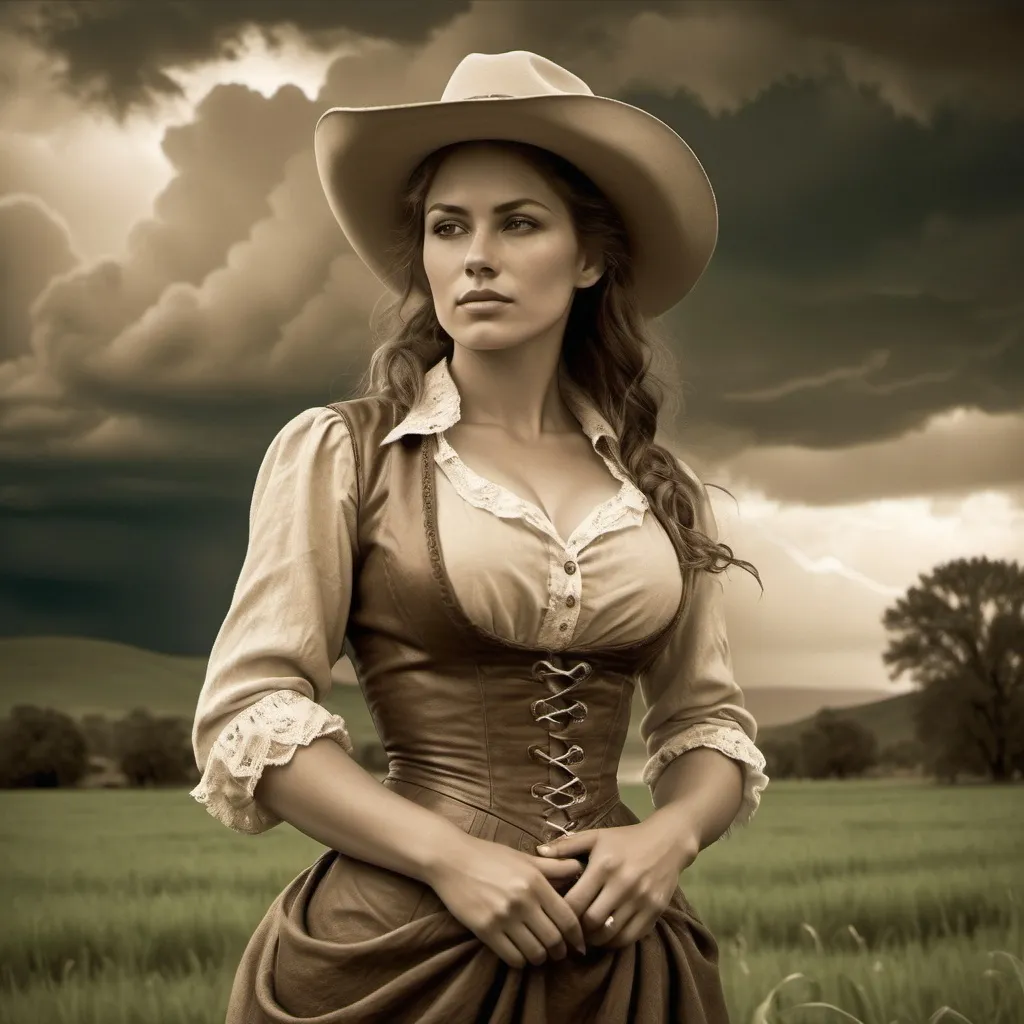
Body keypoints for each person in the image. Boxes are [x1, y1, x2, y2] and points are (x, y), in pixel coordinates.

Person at [189, 49, 769, 1024]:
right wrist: (452, 857)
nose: (477, 255)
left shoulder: (660, 494)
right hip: (393, 953)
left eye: (519, 223)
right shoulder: (344, 453)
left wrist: (666, 838)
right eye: (447, 226)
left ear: (588, 258)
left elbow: (705, 724)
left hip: (619, 964)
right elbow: (250, 714)